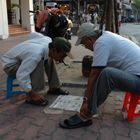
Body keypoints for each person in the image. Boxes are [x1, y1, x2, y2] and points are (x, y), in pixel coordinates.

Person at [59, 22, 140, 129]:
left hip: (137, 80)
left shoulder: (101, 43)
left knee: (107, 74)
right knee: (102, 72)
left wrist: (86, 101)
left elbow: (93, 75)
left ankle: (86, 114)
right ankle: (91, 106)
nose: (85, 47)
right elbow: (96, 73)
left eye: (84, 44)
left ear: (89, 39)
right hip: (135, 76)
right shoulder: (105, 36)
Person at [2, 32, 72, 106]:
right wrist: (30, 91)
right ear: (54, 50)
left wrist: (28, 47)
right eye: (62, 56)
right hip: (10, 65)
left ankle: (54, 87)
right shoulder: (35, 54)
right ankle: (31, 96)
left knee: (49, 58)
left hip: (24, 59)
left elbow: (33, 35)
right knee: (38, 61)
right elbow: (21, 75)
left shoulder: (48, 41)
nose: (62, 59)